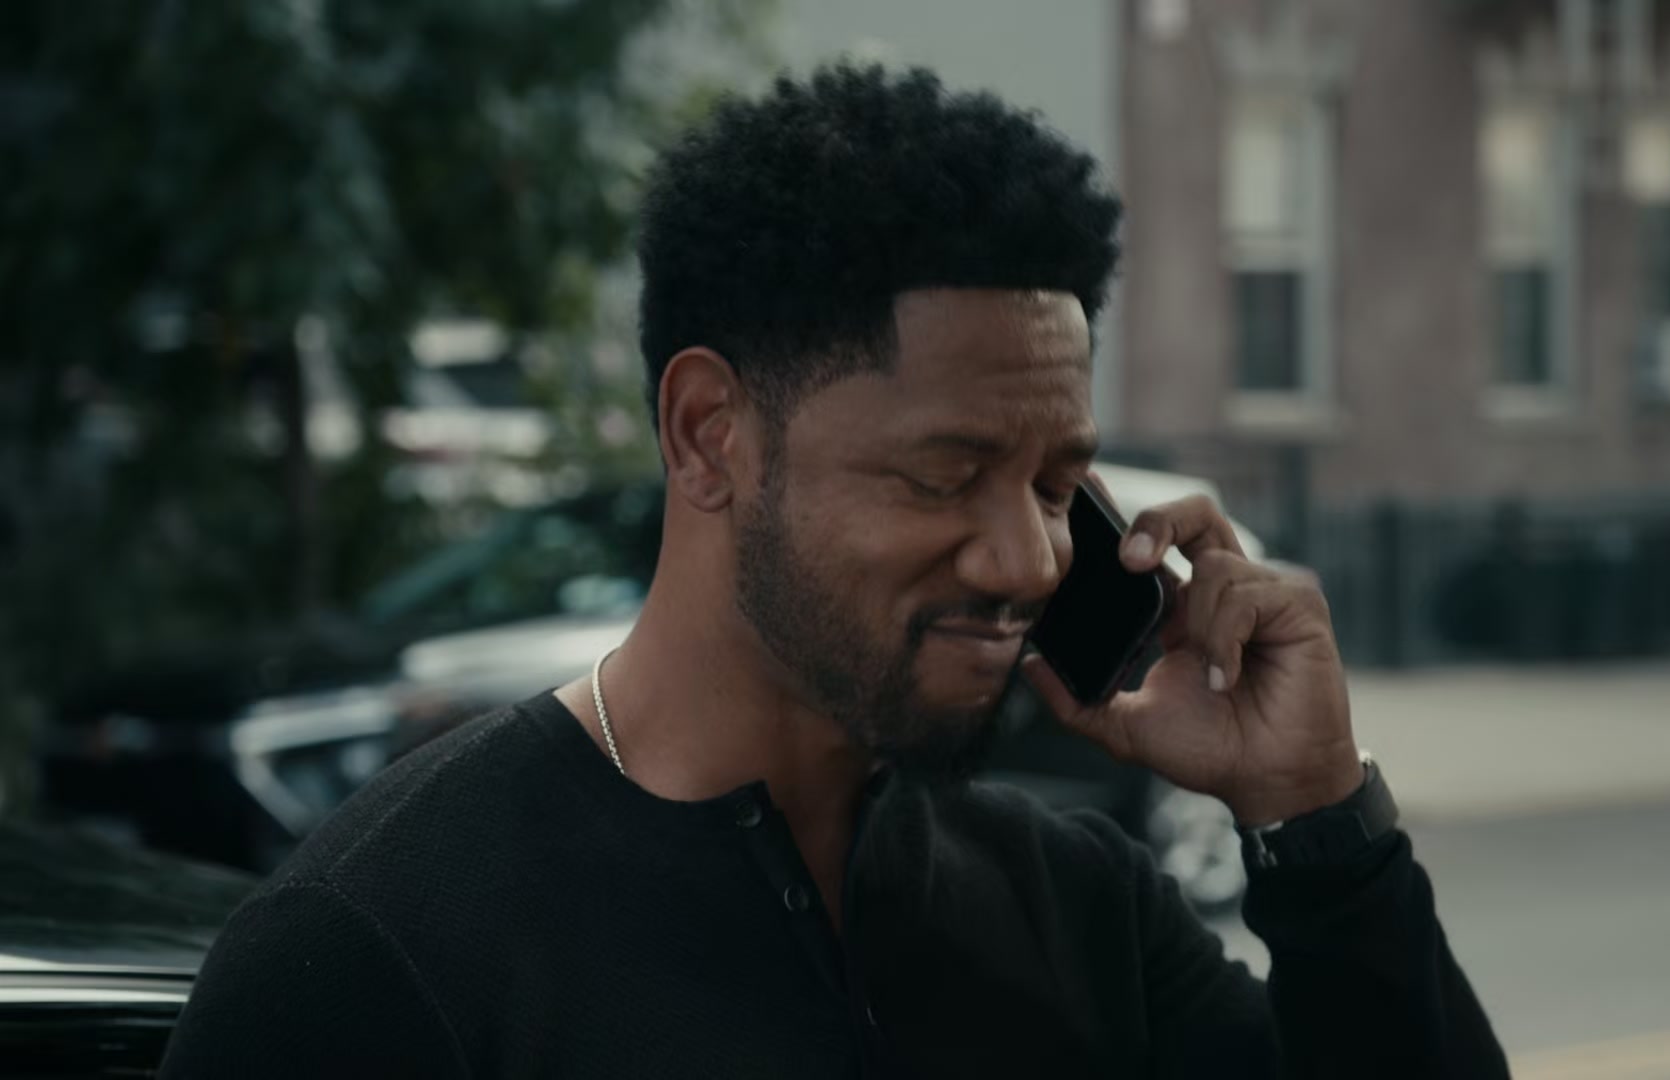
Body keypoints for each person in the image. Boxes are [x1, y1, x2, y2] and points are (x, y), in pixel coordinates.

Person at [162, 64, 1507, 1078]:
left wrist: (1316, 827)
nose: (1029, 557)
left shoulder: (1076, 904)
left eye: (1056, 486)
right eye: (944, 475)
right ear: (711, 435)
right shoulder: (376, 950)